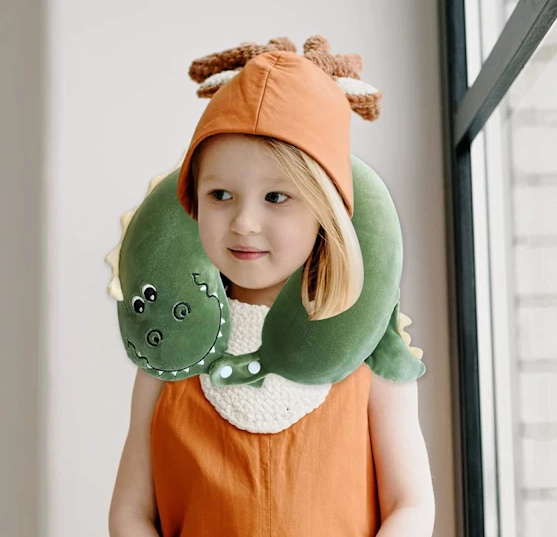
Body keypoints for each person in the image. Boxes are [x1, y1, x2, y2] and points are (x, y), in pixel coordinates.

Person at [109, 36, 435, 537]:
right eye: (220, 194)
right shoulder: (168, 353)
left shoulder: (373, 350)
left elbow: (410, 505)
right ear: (192, 201)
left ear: (326, 211)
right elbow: (130, 512)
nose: (244, 222)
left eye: (277, 197)